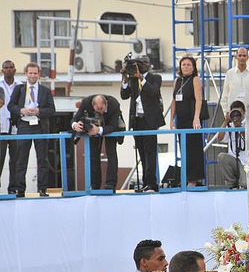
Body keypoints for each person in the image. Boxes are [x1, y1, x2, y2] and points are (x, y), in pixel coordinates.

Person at [8, 62, 56, 197]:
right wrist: (22, 110)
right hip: (24, 125)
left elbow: (52, 109)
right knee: (21, 159)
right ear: (26, 74)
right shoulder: (19, 89)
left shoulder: (45, 90)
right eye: (30, 73)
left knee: (42, 160)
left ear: (39, 74)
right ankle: (20, 189)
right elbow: (11, 106)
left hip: (40, 126)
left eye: (35, 73)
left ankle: (42, 189)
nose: (33, 75)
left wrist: (39, 111)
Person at [120, 55, 164, 193]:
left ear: (148, 65)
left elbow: (153, 92)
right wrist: (125, 77)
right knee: (142, 153)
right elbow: (124, 95)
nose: (140, 66)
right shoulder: (132, 78)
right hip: (136, 119)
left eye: (143, 63)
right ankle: (145, 183)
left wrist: (141, 78)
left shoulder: (155, 78)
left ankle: (152, 184)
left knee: (150, 153)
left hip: (149, 120)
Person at [72, 95, 123, 191]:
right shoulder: (86, 102)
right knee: (93, 155)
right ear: (92, 106)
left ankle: (110, 184)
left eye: (102, 109)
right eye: (97, 110)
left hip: (111, 126)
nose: (100, 112)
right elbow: (74, 119)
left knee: (111, 153)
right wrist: (75, 125)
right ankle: (95, 185)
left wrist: (99, 130)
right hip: (93, 128)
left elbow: (113, 125)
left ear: (106, 104)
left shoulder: (114, 104)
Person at [170, 56, 205, 186]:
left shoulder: (195, 79)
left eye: (188, 64)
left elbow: (198, 99)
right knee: (183, 148)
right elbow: (173, 100)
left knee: (193, 148)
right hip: (181, 119)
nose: (185, 66)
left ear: (193, 67)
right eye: (183, 64)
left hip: (192, 118)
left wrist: (196, 118)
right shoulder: (177, 81)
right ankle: (186, 176)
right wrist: (172, 119)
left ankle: (194, 178)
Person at [0, 60, 21, 194]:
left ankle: (13, 188)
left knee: (15, 161)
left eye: (11, 67)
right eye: (6, 68)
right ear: (2, 70)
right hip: (1, 127)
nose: (8, 69)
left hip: (16, 128)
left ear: (15, 69)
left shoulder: (21, 86)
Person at [215, 100, 246, 189]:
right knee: (222, 156)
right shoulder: (229, 125)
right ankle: (231, 184)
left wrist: (239, 127)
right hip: (233, 160)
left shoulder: (248, 124)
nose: (236, 116)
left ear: (244, 112)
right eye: (234, 113)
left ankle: (241, 181)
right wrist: (225, 121)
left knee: (245, 184)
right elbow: (220, 138)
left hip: (246, 162)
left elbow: (247, 139)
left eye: (239, 113)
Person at [219, 47, 249, 114]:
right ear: (236, 57)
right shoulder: (230, 73)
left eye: (244, 56)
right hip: (234, 115)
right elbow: (225, 96)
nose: (242, 58)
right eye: (240, 55)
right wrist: (226, 113)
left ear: (248, 57)